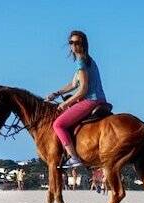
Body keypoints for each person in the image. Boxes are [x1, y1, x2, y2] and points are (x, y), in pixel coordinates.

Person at [45, 30, 108, 169]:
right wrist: (56, 94)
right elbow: (73, 84)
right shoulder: (86, 60)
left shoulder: (81, 62)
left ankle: (74, 157)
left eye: (77, 43)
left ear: (83, 44)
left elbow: (83, 90)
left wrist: (66, 103)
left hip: (91, 100)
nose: (73, 45)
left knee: (58, 125)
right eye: (71, 42)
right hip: (97, 99)